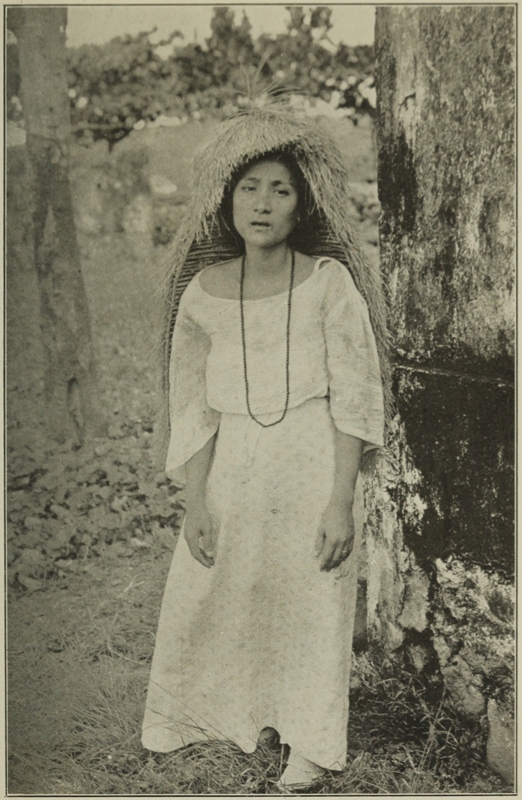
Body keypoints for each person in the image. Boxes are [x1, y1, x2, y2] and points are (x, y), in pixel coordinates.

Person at [142, 104, 390, 789]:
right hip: (234, 462)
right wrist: (196, 499)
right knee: (218, 585)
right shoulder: (202, 294)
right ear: (227, 204)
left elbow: (356, 395)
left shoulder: (329, 282)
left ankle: (310, 741)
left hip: (313, 459)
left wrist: (340, 499)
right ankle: (225, 713)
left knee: (312, 595)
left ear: (301, 206)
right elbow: (193, 407)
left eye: (280, 190)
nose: (262, 203)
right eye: (249, 188)